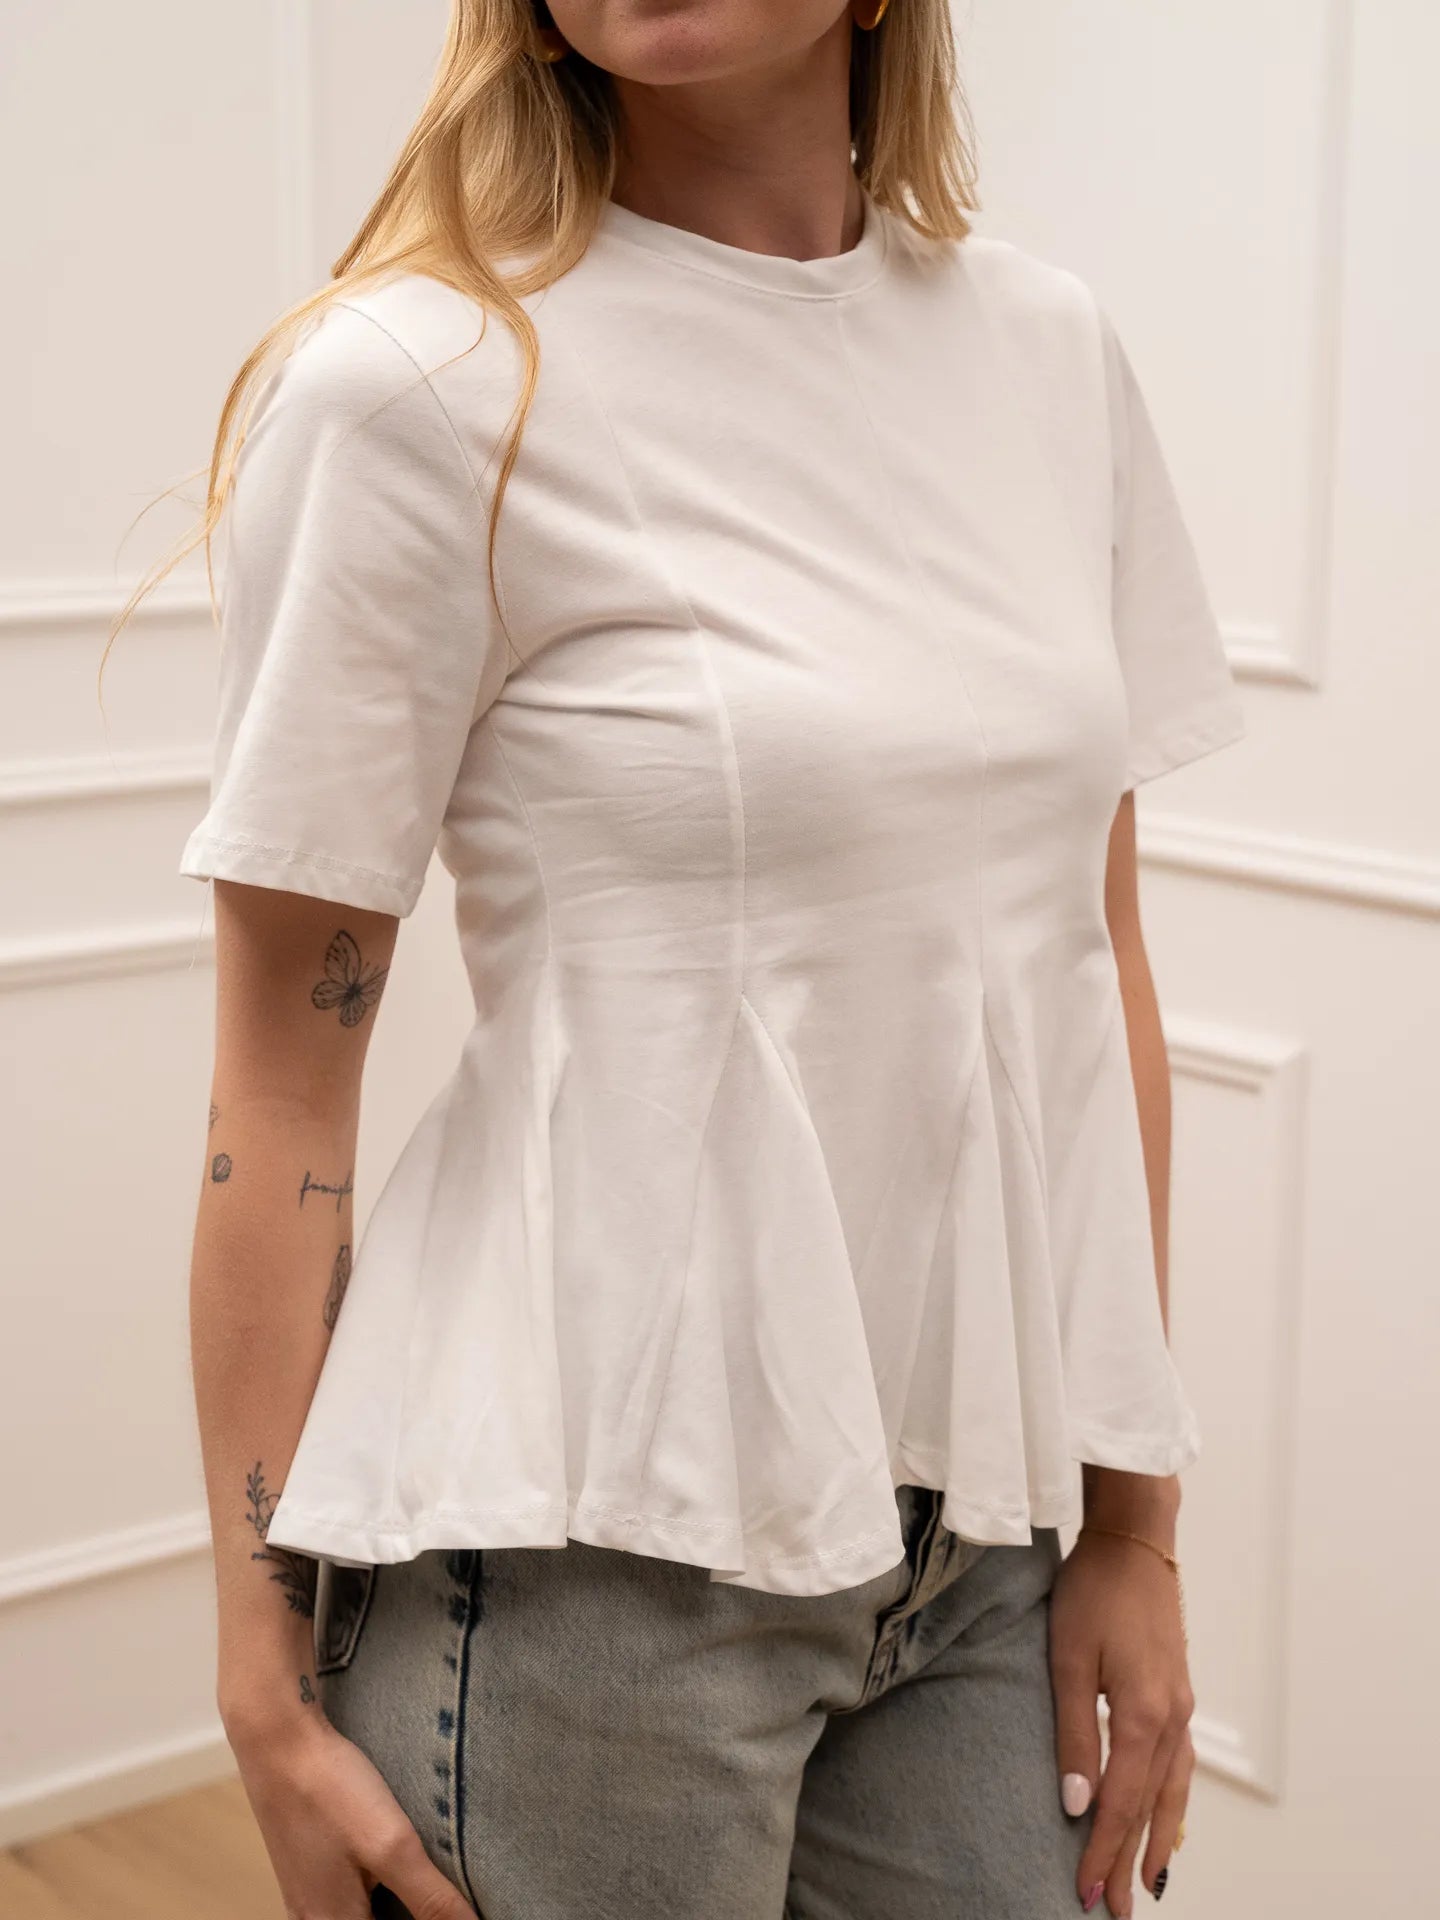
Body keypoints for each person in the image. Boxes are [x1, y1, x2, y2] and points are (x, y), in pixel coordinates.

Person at [125, 2, 1246, 1914]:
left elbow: (1092, 960)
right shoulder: (418, 383)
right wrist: (262, 1673)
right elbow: (283, 1078)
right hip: (583, 1575)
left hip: (987, 1534)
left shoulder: (1049, 352)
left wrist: (1136, 1520)